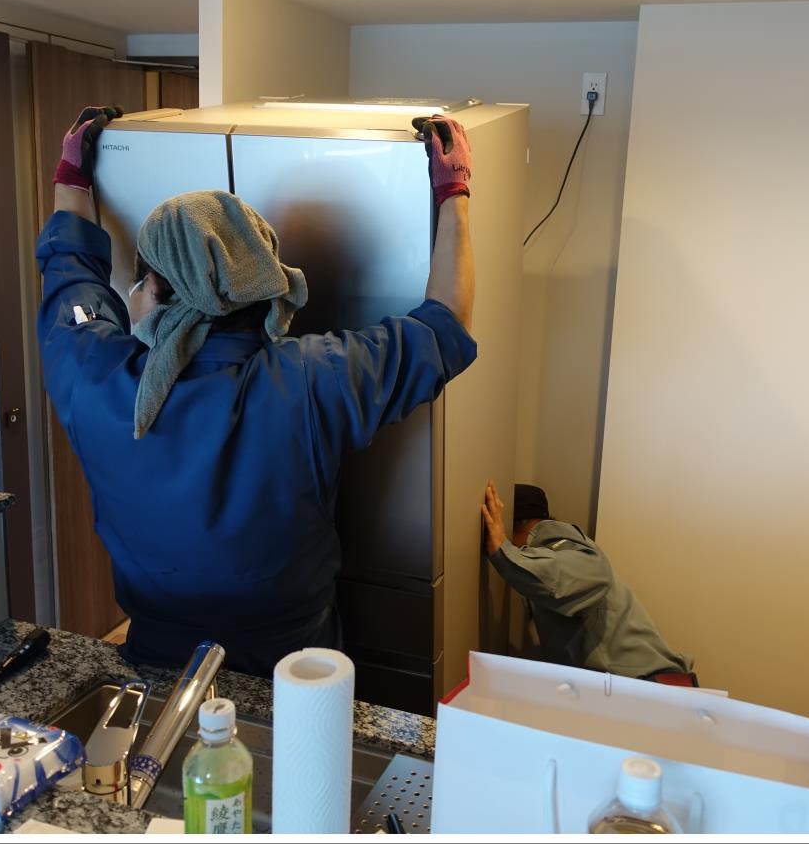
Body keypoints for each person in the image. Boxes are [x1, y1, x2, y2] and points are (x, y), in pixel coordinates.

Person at [36, 105, 477, 676]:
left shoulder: (93, 376)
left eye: (141, 278)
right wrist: (453, 193)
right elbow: (444, 325)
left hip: (158, 669)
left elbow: (70, 274)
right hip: (298, 674)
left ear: (158, 292)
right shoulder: (314, 379)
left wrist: (71, 177)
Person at [480, 481, 697, 686]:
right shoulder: (560, 552)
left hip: (648, 688)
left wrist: (503, 550)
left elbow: (580, 573)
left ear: (518, 524)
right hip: (638, 688)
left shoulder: (570, 551)